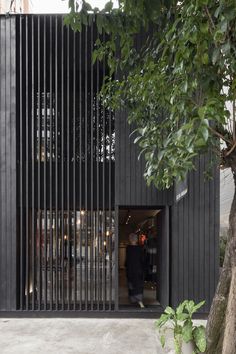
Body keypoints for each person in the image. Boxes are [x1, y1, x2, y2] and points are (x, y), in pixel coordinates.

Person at [125, 233, 145, 308]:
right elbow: (142, 260)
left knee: (131, 285)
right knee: (138, 286)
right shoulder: (140, 248)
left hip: (130, 270)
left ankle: (134, 300)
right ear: (136, 239)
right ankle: (139, 301)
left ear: (130, 239)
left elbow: (127, 260)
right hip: (138, 269)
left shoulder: (128, 248)